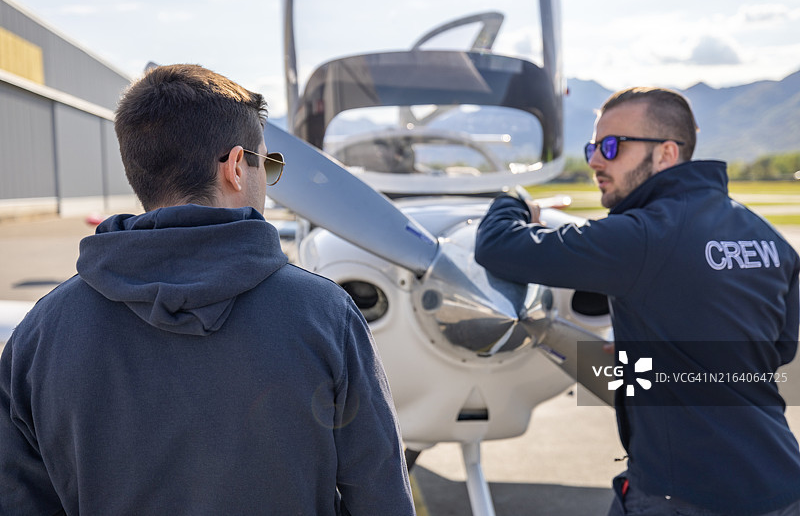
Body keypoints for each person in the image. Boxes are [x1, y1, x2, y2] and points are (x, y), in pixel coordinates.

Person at [0, 64, 415, 516]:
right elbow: (380, 496)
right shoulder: (327, 314)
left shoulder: (41, 332)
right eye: (267, 162)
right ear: (237, 167)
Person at [475, 87, 800, 515]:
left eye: (612, 147)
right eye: (593, 146)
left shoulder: (643, 235)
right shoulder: (767, 238)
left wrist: (514, 200)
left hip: (685, 495)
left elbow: (497, 246)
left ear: (666, 153)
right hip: (780, 483)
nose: (594, 161)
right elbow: (777, 349)